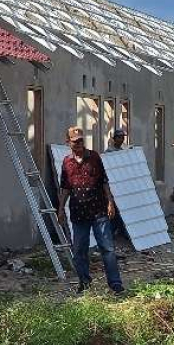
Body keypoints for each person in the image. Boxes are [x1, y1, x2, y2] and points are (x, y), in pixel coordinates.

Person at [57, 126, 124, 294]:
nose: (79, 143)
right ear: (68, 143)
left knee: (107, 248)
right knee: (80, 250)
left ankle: (115, 284)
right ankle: (84, 282)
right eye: (75, 141)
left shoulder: (94, 157)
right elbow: (65, 188)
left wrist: (110, 202)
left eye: (81, 140)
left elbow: (103, 181)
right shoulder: (66, 162)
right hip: (78, 213)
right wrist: (60, 209)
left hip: (99, 210)